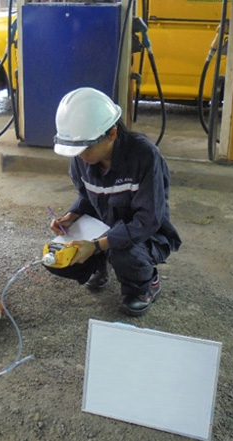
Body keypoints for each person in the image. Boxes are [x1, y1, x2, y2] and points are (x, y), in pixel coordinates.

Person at [45, 87, 181, 316]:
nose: (81, 155)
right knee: (56, 256)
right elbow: (86, 197)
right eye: (76, 149)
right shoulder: (81, 159)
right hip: (106, 224)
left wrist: (98, 245)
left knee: (124, 253)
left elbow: (148, 220)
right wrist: (70, 217)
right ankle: (102, 265)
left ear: (112, 134)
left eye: (86, 147)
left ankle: (143, 286)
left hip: (145, 234)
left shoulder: (144, 156)